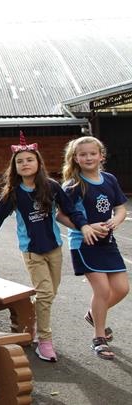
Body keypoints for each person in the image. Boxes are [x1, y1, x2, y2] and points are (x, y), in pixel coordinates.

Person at [0, 133, 87, 362]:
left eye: (30, 159)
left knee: (49, 294)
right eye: (20, 161)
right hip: (32, 252)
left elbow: (71, 210)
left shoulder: (52, 186)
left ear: (38, 163)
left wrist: (85, 227)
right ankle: (44, 341)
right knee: (45, 294)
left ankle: (31, 321)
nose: (25, 164)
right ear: (14, 167)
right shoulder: (14, 193)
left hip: (54, 248)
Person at [60, 136, 128, 360]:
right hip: (84, 243)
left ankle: (93, 314)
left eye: (92, 153)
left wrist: (116, 220)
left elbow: (121, 208)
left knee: (122, 289)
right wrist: (85, 228)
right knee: (103, 290)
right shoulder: (72, 185)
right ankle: (99, 337)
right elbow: (60, 214)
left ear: (101, 156)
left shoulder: (109, 179)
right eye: (83, 154)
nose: (88, 157)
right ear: (75, 158)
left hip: (107, 243)